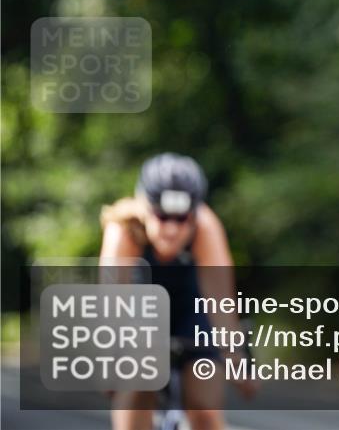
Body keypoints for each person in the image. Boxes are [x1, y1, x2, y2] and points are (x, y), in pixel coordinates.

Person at [99, 152, 257, 430]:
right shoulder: (123, 229)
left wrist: (236, 360)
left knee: (205, 410)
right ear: (143, 208)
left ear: (195, 214)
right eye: (161, 216)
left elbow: (220, 303)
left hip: (191, 308)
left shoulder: (207, 227)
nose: (171, 230)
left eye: (182, 219)